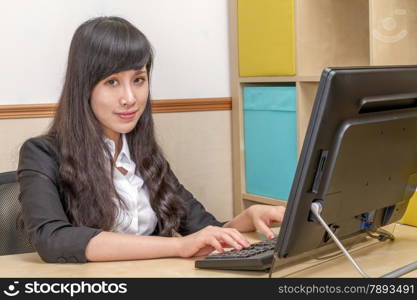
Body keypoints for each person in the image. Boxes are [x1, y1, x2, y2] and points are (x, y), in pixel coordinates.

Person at [17, 16, 285, 263]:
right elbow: (53, 240)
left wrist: (247, 220)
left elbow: (203, 229)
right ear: (84, 88)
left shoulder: (145, 155)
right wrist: (177, 247)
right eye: (112, 82)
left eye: (138, 79)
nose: (130, 98)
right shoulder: (42, 153)